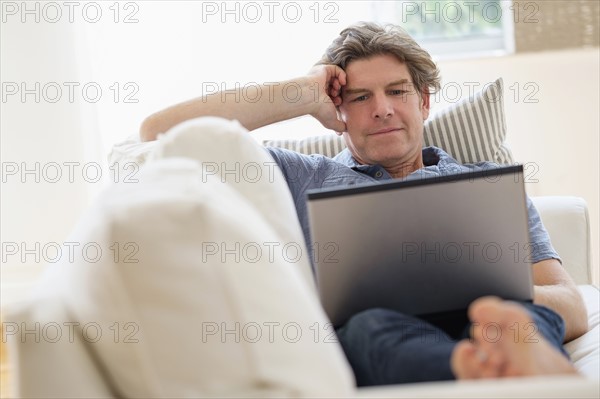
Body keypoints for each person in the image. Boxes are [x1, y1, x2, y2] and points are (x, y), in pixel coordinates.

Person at [140, 22, 587, 385]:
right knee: (367, 325)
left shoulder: (487, 186)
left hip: (489, 323)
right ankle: (476, 372)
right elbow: (160, 136)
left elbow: (570, 301)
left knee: (517, 315)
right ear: (339, 112)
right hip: (385, 338)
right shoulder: (301, 177)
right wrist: (301, 92)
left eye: (397, 91)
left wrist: (487, 293)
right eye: (360, 97)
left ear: (424, 102)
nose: (382, 109)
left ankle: (509, 360)